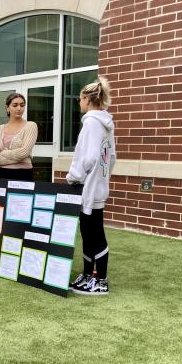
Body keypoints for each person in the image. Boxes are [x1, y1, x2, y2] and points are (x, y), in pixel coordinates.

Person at [66, 76, 116, 296]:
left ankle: (100, 280)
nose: (79, 103)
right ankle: (88, 275)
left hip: (88, 187)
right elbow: (111, 157)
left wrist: (73, 176)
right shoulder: (105, 124)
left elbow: (86, 158)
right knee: (89, 232)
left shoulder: (91, 123)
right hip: (98, 186)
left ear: (87, 99)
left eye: (80, 99)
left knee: (93, 233)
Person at [0, 93, 38, 181]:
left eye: (22, 105)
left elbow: (24, 153)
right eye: (15, 105)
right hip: (2, 173)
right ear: (7, 107)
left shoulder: (30, 126)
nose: (19, 108)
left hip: (24, 173)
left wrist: (4, 153)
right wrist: (21, 159)